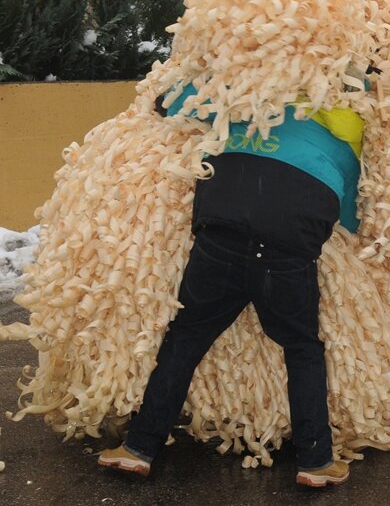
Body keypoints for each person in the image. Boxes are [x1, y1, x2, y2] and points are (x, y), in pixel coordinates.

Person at [97, 82, 360, 488]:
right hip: (286, 255)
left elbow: (171, 104)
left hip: (221, 237)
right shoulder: (344, 150)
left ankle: (138, 449)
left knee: (185, 338)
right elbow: (351, 221)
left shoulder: (245, 111)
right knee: (302, 348)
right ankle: (316, 460)